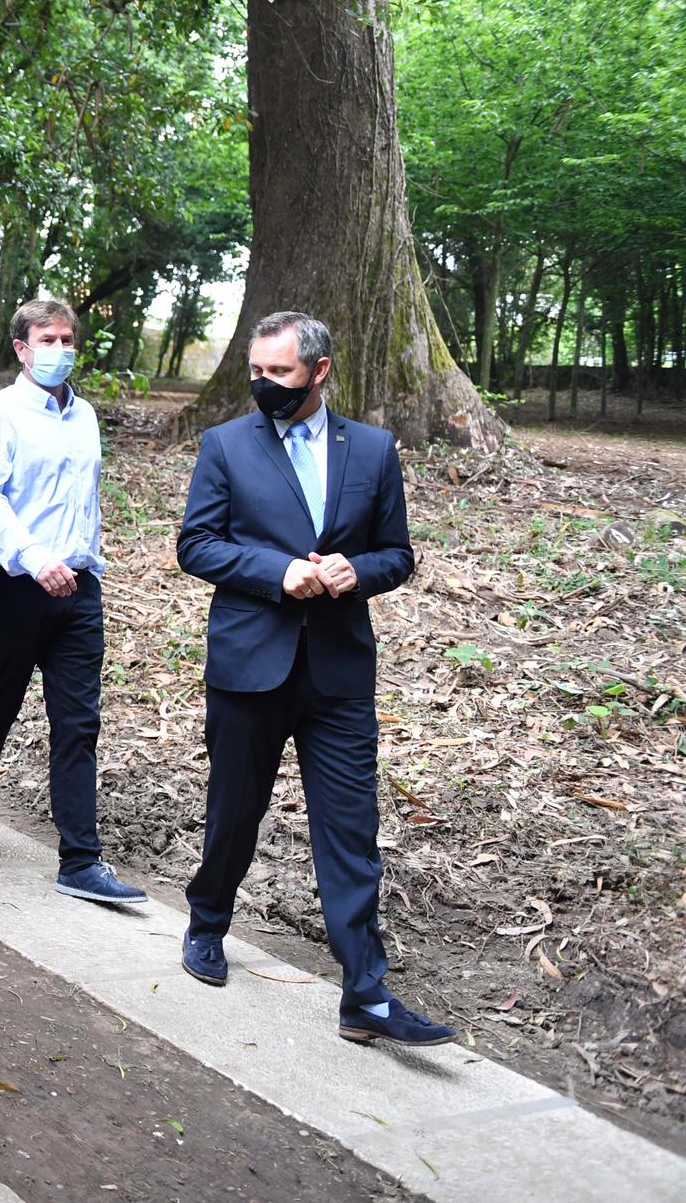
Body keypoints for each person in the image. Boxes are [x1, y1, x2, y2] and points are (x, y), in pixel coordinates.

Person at [176, 310, 452, 1047]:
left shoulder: (370, 449)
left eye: (279, 373)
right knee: (235, 810)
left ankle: (364, 989)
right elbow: (196, 544)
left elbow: (397, 553)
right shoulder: (225, 445)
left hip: (336, 672)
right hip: (249, 664)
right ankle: (207, 923)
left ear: (320, 371)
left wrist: (356, 570)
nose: (262, 383)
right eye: (256, 372)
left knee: (351, 829)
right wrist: (279, 571)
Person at [0, 298, 146, 904]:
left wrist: (85, 560)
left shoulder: (83, 416)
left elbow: (87, 499)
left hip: (79, 590)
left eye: (67, 338)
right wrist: (36, 558)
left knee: (79, 723)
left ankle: (81, 860)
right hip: (14, 587)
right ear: (21, 349)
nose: (60, 349)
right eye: (47, 339)